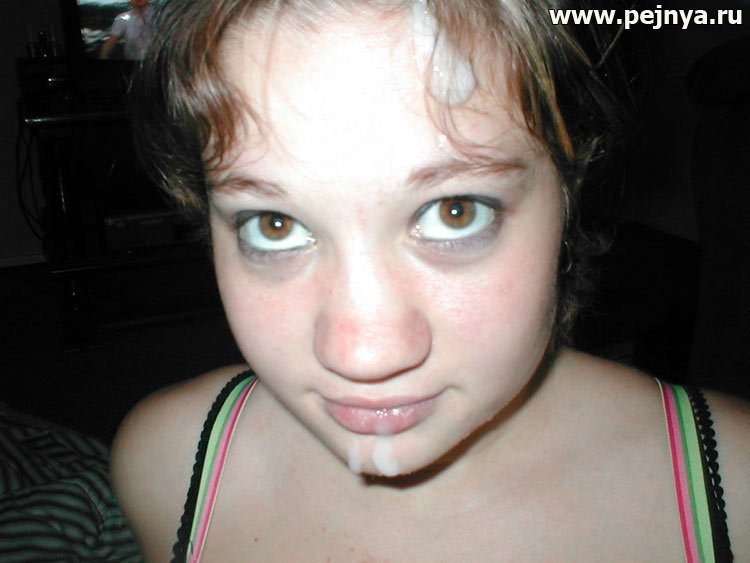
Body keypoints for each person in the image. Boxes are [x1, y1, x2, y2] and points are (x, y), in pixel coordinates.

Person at [111, 0, 750, 561]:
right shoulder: (168, 467)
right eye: (274, 225)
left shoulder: (739, 496)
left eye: (455, 212)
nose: (364, 356)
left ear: (570, 186)